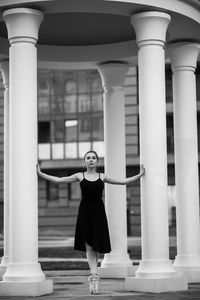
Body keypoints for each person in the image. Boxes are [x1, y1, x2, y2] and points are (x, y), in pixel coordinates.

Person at [37, 151, 145, 294]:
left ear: (97, 161)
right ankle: (94, 276)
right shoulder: (79, 176)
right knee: (88, 244)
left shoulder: (102, 176)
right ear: (85, 161)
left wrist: (138, 175)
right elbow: (58, 180)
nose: (91, 160)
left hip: (98, 212)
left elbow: (122, 182)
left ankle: (94, 276)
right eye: (88, 158)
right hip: (85, 212)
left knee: (96, 244)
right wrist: (40, 173)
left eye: (93, 158)